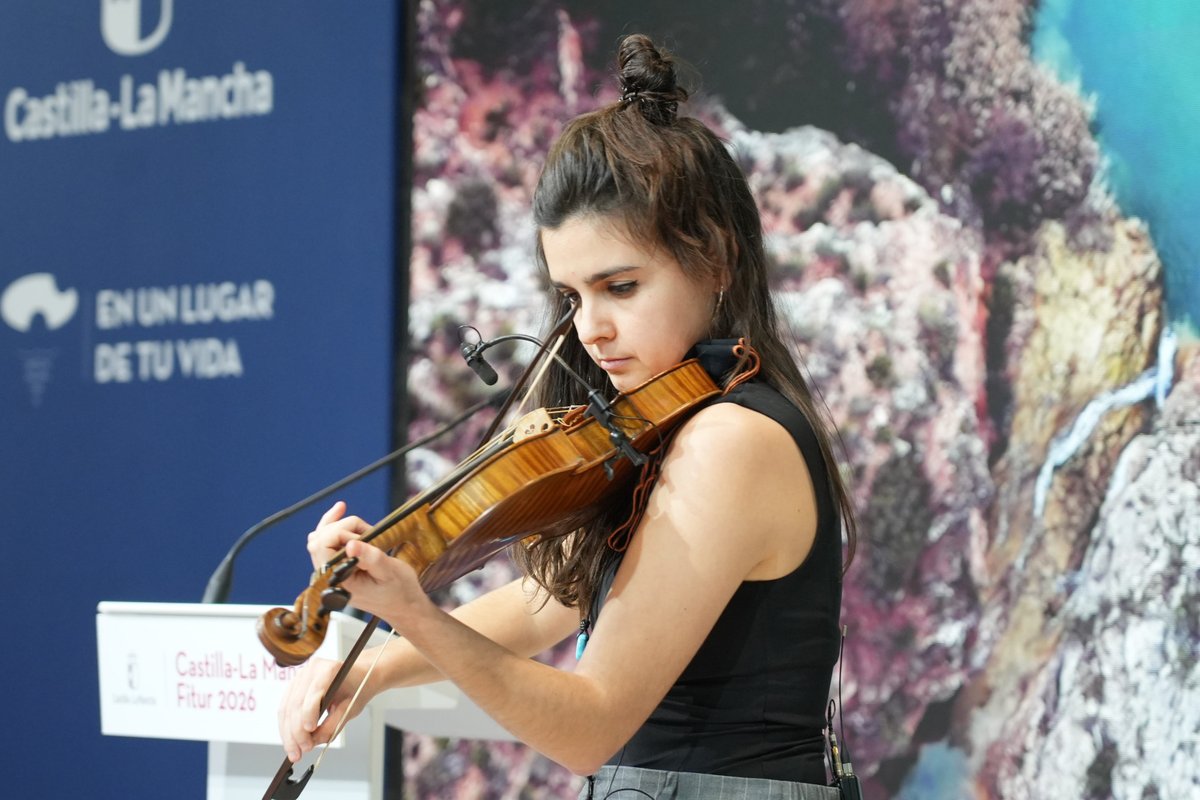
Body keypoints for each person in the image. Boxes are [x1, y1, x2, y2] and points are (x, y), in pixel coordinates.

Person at [278, 34, 857, 800]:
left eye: (621, 287)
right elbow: (550, 597)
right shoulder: (676, 424)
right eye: (572, 297)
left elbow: (591, 726)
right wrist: (370, 670)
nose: (590, 330)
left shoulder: (733, 438)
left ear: (716, 260)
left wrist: (413, 615)